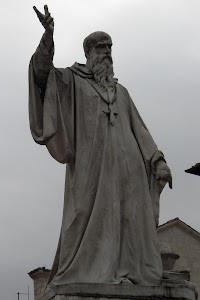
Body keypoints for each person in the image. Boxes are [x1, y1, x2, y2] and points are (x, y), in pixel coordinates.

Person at [29, 5, 172, 287]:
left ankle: (129, 272)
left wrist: (157, 161)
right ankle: (86, 272)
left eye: (109, 49)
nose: (106, 53)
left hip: (129, 173)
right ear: (88, 53)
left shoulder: (121, 92)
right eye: (100, 48)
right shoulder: (73, 81)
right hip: (90, 170)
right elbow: (42, 75)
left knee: (130, 220)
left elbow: (140, 130)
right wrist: (48, 37)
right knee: (82, 216)